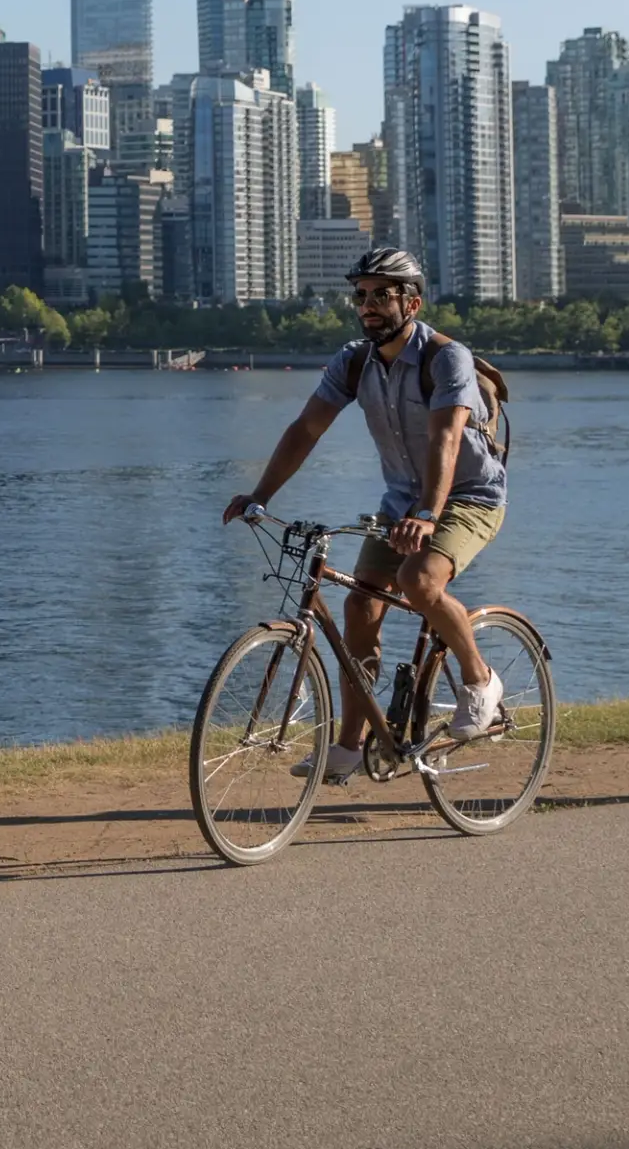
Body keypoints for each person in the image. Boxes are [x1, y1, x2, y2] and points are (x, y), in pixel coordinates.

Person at [217, 247, 508, 778]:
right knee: (359, 610)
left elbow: (445, 439)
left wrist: (427, 512)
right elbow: (307, 428)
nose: (368, 305)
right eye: (361, 296)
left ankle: (480, 679)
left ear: (412, 303)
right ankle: (351, 744)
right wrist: (261, 494)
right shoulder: (354, 362)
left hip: (468, 496)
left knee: (419, 580)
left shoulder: (447, 358)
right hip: (401, 503)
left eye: (382, 295)